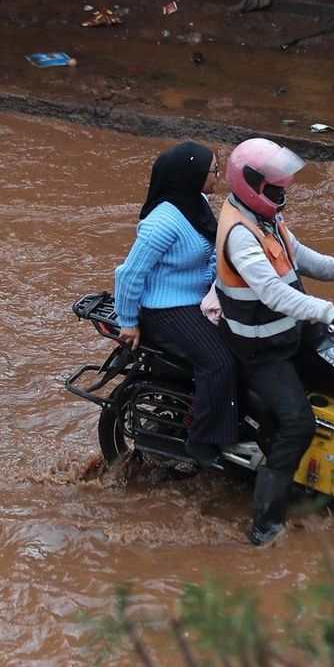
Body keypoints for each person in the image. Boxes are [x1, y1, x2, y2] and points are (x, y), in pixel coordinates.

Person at [214, 137, 334, 546]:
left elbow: (300, 255)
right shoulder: (240, 232)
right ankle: (265, 524)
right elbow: (272, 292)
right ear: (252, 185)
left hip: (288, 330)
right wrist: (330, 312)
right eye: (275, 187)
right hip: (261, 347)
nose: (282, 192)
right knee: (298, 423)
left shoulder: (264, 218)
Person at [113, 142, 240, 470]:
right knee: (219, 361)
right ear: (192, 175)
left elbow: (210, 252)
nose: (217, 177)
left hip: (196, 297)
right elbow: (129, 274)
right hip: (164, 309)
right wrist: (128, 320)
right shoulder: (163, 222)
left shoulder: (196, 203)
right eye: (213, 171)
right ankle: (203, 440)